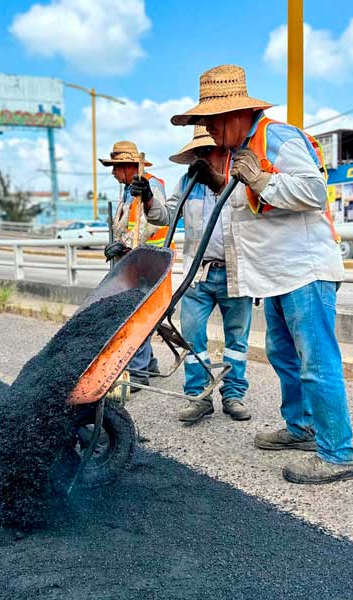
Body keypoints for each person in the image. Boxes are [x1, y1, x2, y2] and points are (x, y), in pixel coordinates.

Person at [170, 65, 353, 484]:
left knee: (316, 361)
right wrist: (221, 180)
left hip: (303, 272)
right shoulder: (242, 149)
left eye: (210, 122)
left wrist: (260, 178)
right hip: (275, 277)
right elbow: (244, 200)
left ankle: (338, 453)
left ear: (233, 114)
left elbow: (311, 191)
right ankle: (301, 429)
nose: (208, 131)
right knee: (285, 357)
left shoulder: (278, 137)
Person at [145, 126, 253, 422]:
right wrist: (148, 200)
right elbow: (165, 216)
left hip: (236, 272)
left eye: (208, 150)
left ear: (224, 149)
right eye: (199, 152)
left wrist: (217, 181)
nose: (203, 157)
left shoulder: (240, 177)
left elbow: (251, 210)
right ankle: (199, 395)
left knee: (237, 340)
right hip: (198, 274)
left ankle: (233, 394)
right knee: (192, 337)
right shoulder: (187, 182)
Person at [99, 140, 168, 389]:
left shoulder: (151, 185)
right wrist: (117, 243)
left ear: (129, 166)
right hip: (131, 262)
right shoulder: (126, 191)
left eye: (116, 167)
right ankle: (148, 363)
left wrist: (124, 243)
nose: (113, 172)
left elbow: (153, 222)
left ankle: (138, 372)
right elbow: (126, 223)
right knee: (133, 314)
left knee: (137, 316)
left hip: (149, 262)